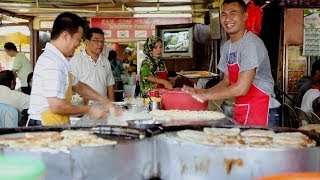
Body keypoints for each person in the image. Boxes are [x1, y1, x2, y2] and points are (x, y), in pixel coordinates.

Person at [183, 0, 280, 127]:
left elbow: (242, 88)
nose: (227, 19)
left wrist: (207, 94)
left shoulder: (251, 44)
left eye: (233, 13)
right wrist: (201, 93)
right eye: (224, 14)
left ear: (244, 16)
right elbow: (226, 81)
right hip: (242, 109)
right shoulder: (227, 46)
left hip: (262, 111)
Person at [28, 12, 119, 126]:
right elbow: (57, 106)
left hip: (56, 123)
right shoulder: (52, 61)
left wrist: (104, 100)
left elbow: (78, 86)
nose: (78, 44)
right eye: (78, 39)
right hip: (43, 125)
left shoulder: (60, 60)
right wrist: (89, 110)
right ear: (66, 36)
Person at [70, 27, 115, 102]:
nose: (100, 44)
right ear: (87, 42)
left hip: (102, 109)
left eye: (102, 41)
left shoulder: (106, 62)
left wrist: (112, 108)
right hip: (84, 109)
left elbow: (110, 86)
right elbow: (71, 88)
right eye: (96, 41)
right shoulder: (76, 61)